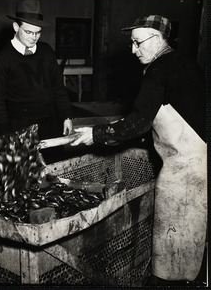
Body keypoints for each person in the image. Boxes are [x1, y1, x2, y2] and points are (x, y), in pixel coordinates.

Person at [71, 15, 207, 284]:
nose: (133, 50)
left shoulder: (158, 70)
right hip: (200, 164)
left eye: (137, 43)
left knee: (171, 247)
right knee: (192, 239)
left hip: (181, 172)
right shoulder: (188, 63)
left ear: (156, 39)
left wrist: (95, 134)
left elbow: (138, 122)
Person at [0, 0, 73, 162]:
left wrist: (67, 116)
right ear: (16, 27)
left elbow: (58, 87)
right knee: (24, 178)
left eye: (38, 33)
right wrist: (5, 134)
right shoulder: (1, 59)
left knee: (55, 173)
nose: (34, 37)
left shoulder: (47, 52)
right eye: (28, 32)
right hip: (19, 127)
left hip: (50, 125)